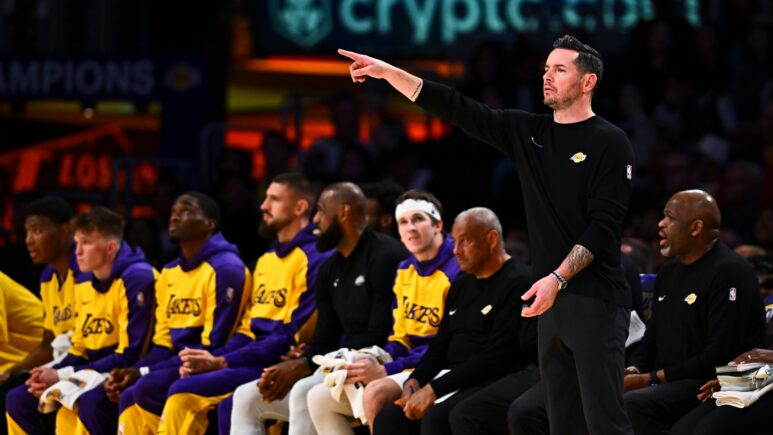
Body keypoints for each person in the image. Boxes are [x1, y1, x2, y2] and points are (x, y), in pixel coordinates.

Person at [340, 34, 635, 434]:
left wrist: (558, 278)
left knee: (605, 424)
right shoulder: (530, 133)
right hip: (549, 302)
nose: (547, 76)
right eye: (546, 68)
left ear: (588, 82)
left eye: (560, 69)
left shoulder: (610, 141)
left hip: (595, 299)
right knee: (562, 424)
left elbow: (605, 225)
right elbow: (457, 107)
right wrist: (389, 73)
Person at [153, 173, 332, 434]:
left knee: (186, 392)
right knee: (175, 386)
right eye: (265, 198)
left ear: (300, 207)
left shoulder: (316, 258)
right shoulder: (265, 260)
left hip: (281, 362)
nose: (263, 206)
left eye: (274, 199)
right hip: (251, 358)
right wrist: (218, 358)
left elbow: (291, 334)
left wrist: (223, 361)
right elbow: (247, 330)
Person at [225, 182, 408, 435]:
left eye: (321, 211)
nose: (316, 221)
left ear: (343, 213)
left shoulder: (387, 256)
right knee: (246, 396)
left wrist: (306, 363)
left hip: (379, 362)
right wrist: (305, 360)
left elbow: (379, 335)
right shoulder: (329, 268)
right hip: (337, 362)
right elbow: (325, 340)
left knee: (304, 390)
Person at [73, 192, 251, 435]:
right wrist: (135, 371)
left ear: (209, 224)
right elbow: (163, 344)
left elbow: (212, 346)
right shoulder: (169, 272)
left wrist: (143, 372)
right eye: (174, 211)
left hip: (216, 360)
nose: (175, 216)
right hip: (177, 363)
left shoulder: (226, 268)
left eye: (186, 211)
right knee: (124, 393)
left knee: (147, 387)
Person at [307, 190, 460, 434]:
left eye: (418, 219)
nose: (410, 228)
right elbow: (399, 338)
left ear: (438, 225)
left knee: (375, 393)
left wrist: (385, 370)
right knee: (318, 398)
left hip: (442, 364)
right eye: (403, 222)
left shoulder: (457, 268)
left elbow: (446, 345)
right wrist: (372, 359)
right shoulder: (404, 269)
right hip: (409, 362)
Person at [372, 207, 536, 435]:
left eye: (464, 241)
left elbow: (498, 355)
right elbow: (440, 344)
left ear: (491, 239)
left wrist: (434, 388)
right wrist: (415, 380)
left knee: (437, 418)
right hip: (453, 377)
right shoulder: (461, 284)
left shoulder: (519, 281)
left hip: (492, 377)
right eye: (454, 242)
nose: (456, 250)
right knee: (389, 419)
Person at [623, 190, 765, 434]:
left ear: (696, 228)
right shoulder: (668, 272)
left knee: (635, 403)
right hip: (667, 380)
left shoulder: (730, 272)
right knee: (601, 392)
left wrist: (651, 378)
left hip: (714, 382)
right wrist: (634, 370)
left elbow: (720, 354)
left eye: (670, 217)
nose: (661, 224)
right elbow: (651, 338)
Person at [6, 206, 156, 435]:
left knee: (84, 402)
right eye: (76, 243)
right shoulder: (85, 279)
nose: (77, 252)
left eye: (85, 243)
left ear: (110, 247)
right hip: (93, 369)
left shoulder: (137, 277)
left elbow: (130, 355)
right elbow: (79, 348)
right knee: (18, 397)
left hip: (128, 370)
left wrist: (61, 374)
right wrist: (49, 372)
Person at [0, 197, 79, 431]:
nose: (28, 240)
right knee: (15, 393)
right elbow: (48, 344)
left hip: (81, 363)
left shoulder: (85, 274)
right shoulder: (48, 278)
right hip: (48, 363)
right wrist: (12, 372)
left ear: (64, 231)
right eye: (27, 232)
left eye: (37, 231)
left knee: (15, 395)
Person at [669, 348, 773, 435]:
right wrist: (729, 380)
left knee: (707, 429)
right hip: (753, 380)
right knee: (681, 430)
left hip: (765, 390)